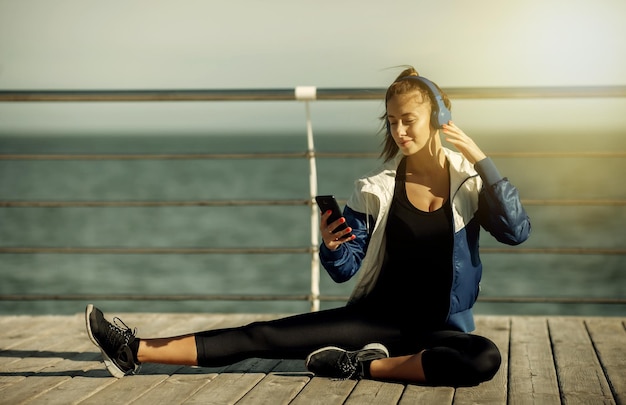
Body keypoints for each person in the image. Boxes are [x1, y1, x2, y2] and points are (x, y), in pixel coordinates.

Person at [85, 66, 531, 386]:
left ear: (438, 118)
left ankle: (360, 367)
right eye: (391, 121)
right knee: (265, 334)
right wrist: (334, 245)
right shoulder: (376, 189)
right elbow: (344, 270)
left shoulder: (470, 183)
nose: (398, 131)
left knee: (483, 358)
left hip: (441, 330)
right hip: (374, 321)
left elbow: (516, 230)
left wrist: (482, 160)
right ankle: (134, 349)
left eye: (407, 120)